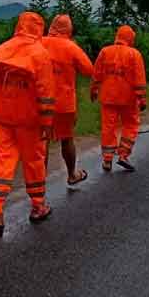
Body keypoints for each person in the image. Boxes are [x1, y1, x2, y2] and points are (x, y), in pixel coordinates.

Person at [0, 11, 56, 237]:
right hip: (30, 120)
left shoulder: (2, 50)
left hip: (4, 116)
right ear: (38, 28)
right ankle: (37, 206)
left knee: (1, 161)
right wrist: (47, 122)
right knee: (33, 161)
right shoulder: (40, 54)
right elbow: (45, 92)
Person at [41, 14, 95, 185]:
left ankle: (38, 182)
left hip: (40, 102)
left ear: (52, 27)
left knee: (42, 143)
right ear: (69, 29)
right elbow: (88, 70)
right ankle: (72, 174)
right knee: (67, 139)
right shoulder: (71, 47)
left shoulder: (38, 43)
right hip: (64, 104)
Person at [91, 25, 147, 172]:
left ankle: (107, 160)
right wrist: (142, 98)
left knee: (108, 128)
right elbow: (139, 78)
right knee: (131, 124)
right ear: (130, 38)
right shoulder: (134, 54)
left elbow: (97, 73)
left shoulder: (105, 51)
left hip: (108, 97)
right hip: (128, 99)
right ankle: (123, 155)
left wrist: (94, 90)